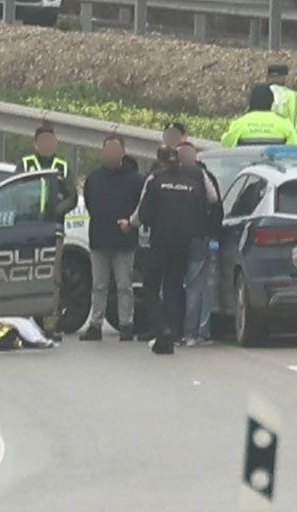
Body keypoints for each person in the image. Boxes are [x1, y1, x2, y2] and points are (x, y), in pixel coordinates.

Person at [131, 145, 213, 355]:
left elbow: (144, 213)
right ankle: (172, 334)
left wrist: (131, 224)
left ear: (159, 161)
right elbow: (209, 203)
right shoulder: (193, 183)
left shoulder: (156, 180)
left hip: (160, 242)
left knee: (149, 287)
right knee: (173, 288)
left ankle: (163, 329)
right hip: (185, 243)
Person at [78, 135, 144, 341]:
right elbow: (89, 203)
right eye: (108, 150)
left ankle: (126, 324)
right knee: (99, 286)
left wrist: (130, 224)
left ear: (123, 152)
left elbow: (141, 206)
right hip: (99, 239)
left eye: (116, 150)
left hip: (124, 242)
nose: (111, 154)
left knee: (125, 286)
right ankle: (95, 324)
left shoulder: (135, 179)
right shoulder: (94, 178)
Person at [176, 141, 224, 346]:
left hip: (176, 239)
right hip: (197, 237)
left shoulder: (167, 175)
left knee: (178, 285)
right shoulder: (202, 176)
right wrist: (212, 232)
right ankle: (197, 332)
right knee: (198, 286)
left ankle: (184, 331)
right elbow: (215, 202)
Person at [223, 83, 297, 147]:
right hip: (274, 164)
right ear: (271, 102)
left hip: (247, 164)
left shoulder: (239, 123)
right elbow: (295, 146)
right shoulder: (284, 123)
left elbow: (227, 144)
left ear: (251, 102)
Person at [21, 124, 74, 213]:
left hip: (53, 223)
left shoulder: (62, 166)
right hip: (28, 220)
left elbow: (72, 198)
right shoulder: (26, 164)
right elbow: (14, 192)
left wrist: (57, 212)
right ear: (35, 144)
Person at [265, 64, 297, 143]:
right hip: (290, 145)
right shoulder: (295, 96)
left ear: (268, 77)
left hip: (265, 143)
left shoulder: (260, 95)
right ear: (285, 78)